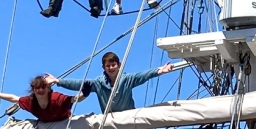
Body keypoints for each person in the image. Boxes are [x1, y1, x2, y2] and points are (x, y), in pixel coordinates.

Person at [47, 52, 175, 113]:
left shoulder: (128, 79)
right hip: (110, 119)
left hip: (129, 116)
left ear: (119, 65)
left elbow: (143, 75)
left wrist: (159, 71)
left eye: (113, 65)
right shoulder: (98, 83)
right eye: (108, 66)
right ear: (104, 68)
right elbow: (78, 84)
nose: (111, 68)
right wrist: (58, 81)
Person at [0, 74, 93, 122]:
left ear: (48, 88)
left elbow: (75, 99)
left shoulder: (56, 98)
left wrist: (85, 93)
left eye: (43, 87)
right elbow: (14, 98)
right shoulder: (31, 102)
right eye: (37, 88)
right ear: (33, 90)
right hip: (44, 125)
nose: (40, 90)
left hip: (64, 123)